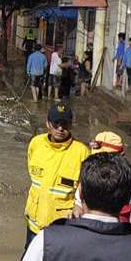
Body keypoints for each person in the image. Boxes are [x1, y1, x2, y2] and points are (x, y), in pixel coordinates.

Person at [23, 101, 90, 249]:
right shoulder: (35, 144)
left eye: (65, 124)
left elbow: (86, 188)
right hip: (33, 226)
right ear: (48, 123)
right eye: (56, 123)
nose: (60, 128)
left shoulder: (81, 152)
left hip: (62, 227)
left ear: (71, 125)